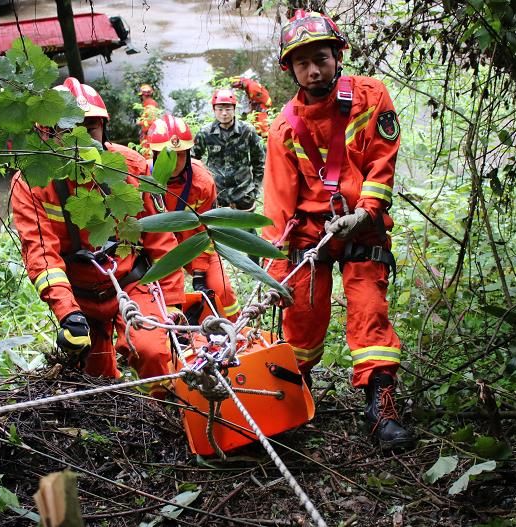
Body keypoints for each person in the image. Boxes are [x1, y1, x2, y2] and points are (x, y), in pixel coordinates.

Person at [261, 10, 413, 449]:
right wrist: (276, 273)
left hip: (362, 229)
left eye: (322, 58)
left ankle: (381, 408)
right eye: (303, 62)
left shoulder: (371, 97)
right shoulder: (284, 127)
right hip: (311, 236)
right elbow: (277, 205)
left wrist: (366, 213)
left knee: (369, 311)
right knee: (301, 322)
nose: (314, 69)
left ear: (337, 56)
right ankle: (293, 398)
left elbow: (382, 162)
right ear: (289, 68)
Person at [11, 77, 185, 397]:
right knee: (99, 386)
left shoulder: (130, 167)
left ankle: (168, 416)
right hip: (80, 298)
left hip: (131, 284)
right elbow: (41, 255)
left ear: (104, 129)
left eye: (89, 128)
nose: (80, 140)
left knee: (153, 352)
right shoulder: (32, 182)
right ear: (47, 134)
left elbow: (161, 240)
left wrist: (172, 303)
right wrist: (68, 313)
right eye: (68, 129)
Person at [146, 114, 241, 321]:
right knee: (162, 302)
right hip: (154, 252)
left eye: (181, 154)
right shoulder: (142, 181)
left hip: (196, 244)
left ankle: (236, 332)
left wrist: (199, 273)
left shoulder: (202, 183)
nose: (175, 162)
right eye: (167, 155)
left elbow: (206, 232)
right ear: (154, 155)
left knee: (221, 290)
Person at [191, 88, 265, 214]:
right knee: (219, 232)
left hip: (243, 196)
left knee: (246, 232)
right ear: (214, 110)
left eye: (228, 109)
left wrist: (255, 190)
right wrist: (202, 187)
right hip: (217, 195)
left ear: (234, 109)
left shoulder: (247, 131)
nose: (224, 113)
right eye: (220, 109)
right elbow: (193, 161)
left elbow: (259, 161)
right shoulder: (205, 133)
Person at [137, 84, 161, 155]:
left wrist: (140, 122)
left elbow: (152, 121)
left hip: (149, 134)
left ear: (143, 95)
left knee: (147, 152)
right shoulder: (148, 104)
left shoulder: (150, 105)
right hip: (148, 133)